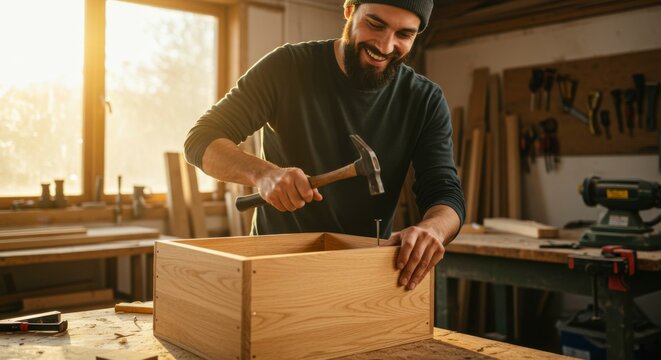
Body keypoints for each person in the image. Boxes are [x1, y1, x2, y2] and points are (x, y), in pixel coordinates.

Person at [184, 0, 465, 291]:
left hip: (362, 274)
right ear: (348, 11)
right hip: (274, 270)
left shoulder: (425, 100)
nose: (385, 45)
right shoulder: (287, 67)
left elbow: (445, 192)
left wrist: (433, 228)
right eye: (375, 24)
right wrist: (263, 174)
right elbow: (200, 140)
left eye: (404, 35)